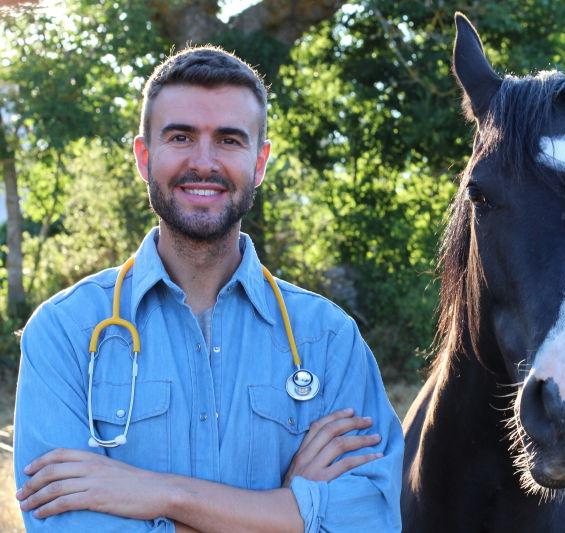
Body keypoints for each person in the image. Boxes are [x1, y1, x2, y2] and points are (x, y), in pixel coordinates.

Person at [13, 46, 403, 532]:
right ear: (144, 156)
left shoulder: (329, 341)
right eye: (180, 137)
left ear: (259, 162)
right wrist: (286, 512)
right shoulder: (64, 333)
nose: (204, 162)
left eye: (229, 140)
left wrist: (163, 494)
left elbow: (370, 519)